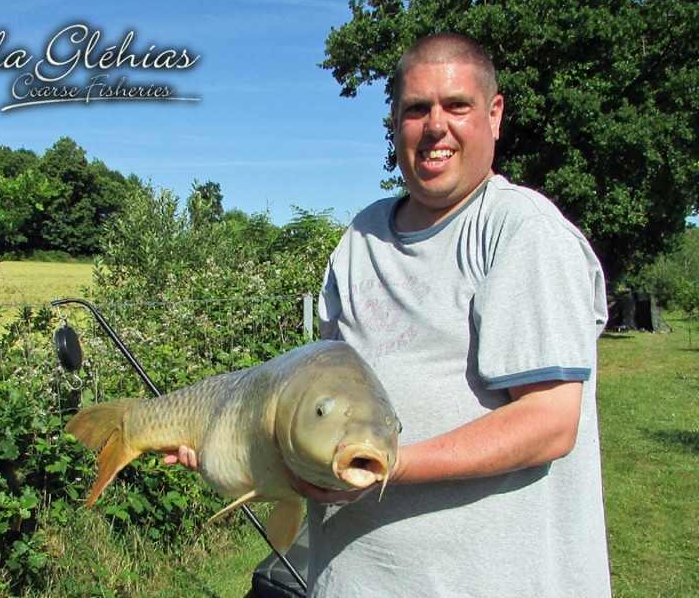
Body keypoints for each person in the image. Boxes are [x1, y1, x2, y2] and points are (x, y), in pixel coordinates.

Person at [173, 32, 612, 597]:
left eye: (457, 105)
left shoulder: (521, 231)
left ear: (495, 114)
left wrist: (389, 466)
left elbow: (550, 421)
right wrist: (242, 452)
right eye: (416, 109)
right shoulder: (362, 237)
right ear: (395, 122)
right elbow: (321, 394)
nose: (435, 127)